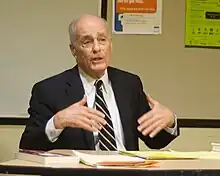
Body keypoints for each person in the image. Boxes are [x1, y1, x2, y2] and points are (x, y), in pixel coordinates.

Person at [19, 14, 179, 151]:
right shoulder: (49, 90)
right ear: (73, 50)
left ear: (110, 45)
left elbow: (153, 140)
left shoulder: (129, 84)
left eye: (102, 40)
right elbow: (28, 146)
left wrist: (169, 121)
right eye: (87, 42)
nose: (97, 48)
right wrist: (56, 123)